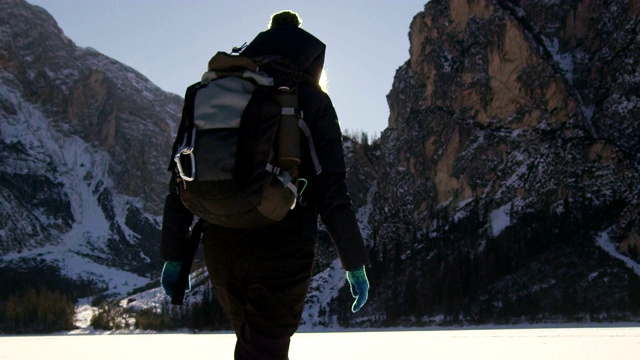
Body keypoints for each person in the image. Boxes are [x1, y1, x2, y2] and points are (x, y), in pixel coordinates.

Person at [160, 10, 370, 360]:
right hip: (281, 244)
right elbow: (332, 191)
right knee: (263, 350)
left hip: (221, 241)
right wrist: (355, 263)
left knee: (254, 347)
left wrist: (174, 257)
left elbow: (180, 176)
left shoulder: (221, 92)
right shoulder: (311, 99)